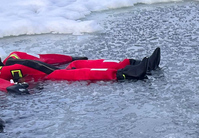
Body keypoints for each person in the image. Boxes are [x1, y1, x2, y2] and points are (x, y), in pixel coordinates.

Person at [0, 48, 160, 83]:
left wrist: (69, 58)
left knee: (77, 64)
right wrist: (10, 87)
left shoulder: (13, 57)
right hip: (45, 79)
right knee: (77, 73)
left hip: (52, 70)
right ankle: (126, 73)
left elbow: (45, 58)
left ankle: (133, 63)